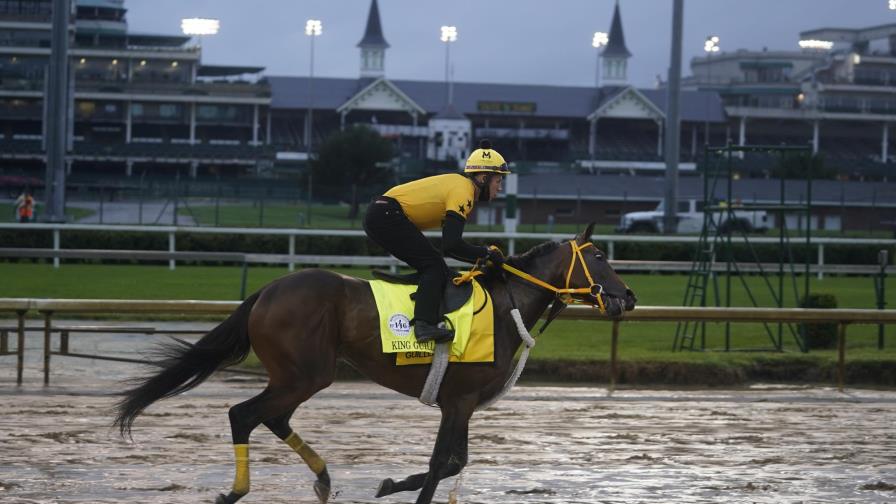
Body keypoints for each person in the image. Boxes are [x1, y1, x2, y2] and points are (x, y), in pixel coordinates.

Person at [364, 139, 508, 344]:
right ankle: (423, 325)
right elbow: (451, 246)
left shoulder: (461, 188)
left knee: (437, 266)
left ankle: (424, 294)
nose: (500, 188)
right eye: (498, 181)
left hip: (382, 212)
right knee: (433, 265)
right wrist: (486, 253)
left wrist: (482, 255)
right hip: (387, 214)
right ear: (484, 178)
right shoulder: (464, 192)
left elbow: (450, 247)